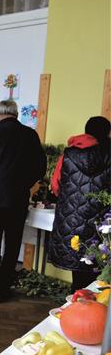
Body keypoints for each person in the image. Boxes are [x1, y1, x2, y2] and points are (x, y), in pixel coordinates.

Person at [0, 100, 47, 302]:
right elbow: (40, 166)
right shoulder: (30, 135)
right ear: (15, 114)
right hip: (18, 197)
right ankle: (5, 284)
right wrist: (26, 184)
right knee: (13, 243)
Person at [48, 116, 111, 292]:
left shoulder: (69, 154)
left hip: (73, 219)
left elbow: (56, 186)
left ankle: (77, 300)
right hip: (102, 222)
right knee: (101, 271)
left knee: (78, 268)